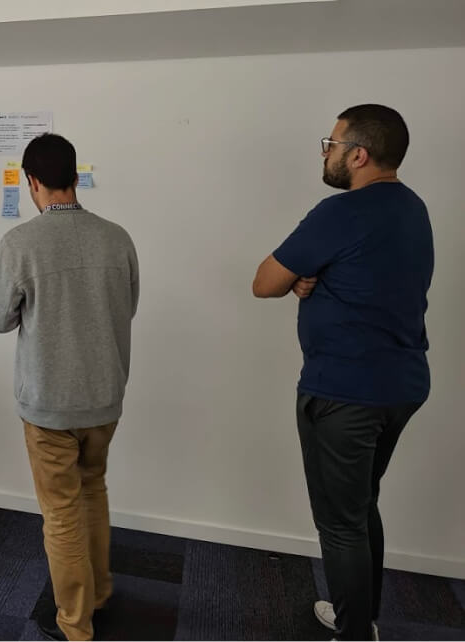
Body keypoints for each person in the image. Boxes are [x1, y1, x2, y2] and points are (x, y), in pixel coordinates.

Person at [253, 104, 433, 641]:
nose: (325, 154)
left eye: (330, 145)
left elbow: (264, 282)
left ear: (358, 155)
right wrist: (309, 278)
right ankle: (360, 616)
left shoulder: (340, 212)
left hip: (345, 393)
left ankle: (355, 632)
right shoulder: (413, 208)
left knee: (339, 523)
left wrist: (297, 278)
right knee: (360, 505)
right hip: (401, 386)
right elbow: (368, 278)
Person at [0, 133, 139, 641]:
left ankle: (75, 623)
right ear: (75, 176)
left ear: (31, 182)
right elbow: (128, 306)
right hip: (104, 397)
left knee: (62, 513)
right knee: (93, 489)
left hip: (49, 403)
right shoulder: (117, 238)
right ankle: (98, 592)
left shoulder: (20, 244)